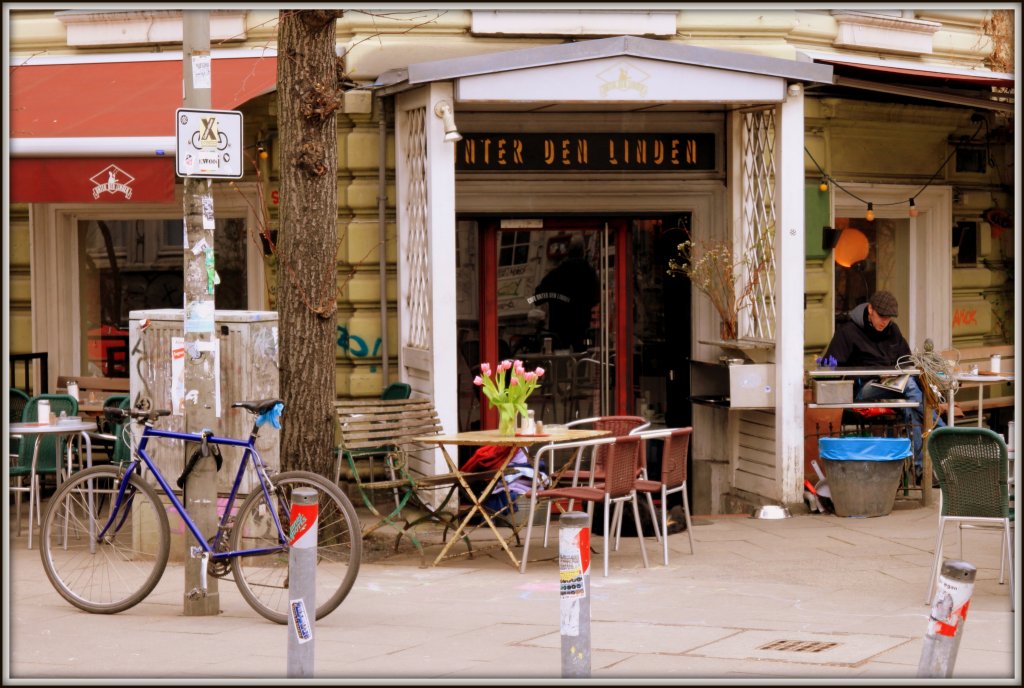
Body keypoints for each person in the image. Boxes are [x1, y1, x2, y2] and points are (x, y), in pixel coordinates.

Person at [823, 290, 939, 483]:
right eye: (881, 316)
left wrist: (895, 372)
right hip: (863, 389)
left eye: (888, 318)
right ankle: (940, 426)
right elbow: (831, 366)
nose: (885, 322)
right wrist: (877, 373)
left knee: (910, 410)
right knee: (910, 387)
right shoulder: (848, 332)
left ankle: (920, 472)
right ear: (870, 310)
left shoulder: (893, 331)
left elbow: (907, 361)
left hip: (895, 387)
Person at [530, 235, 599, 352]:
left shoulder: (556, 273)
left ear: (568, 252)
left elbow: (537, 298)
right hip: (581, 330)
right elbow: (596, 298)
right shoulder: (590, 273)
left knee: (559, 360)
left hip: (559, 332)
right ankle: (580, 369)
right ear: (582, 252)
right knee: (582, 356)